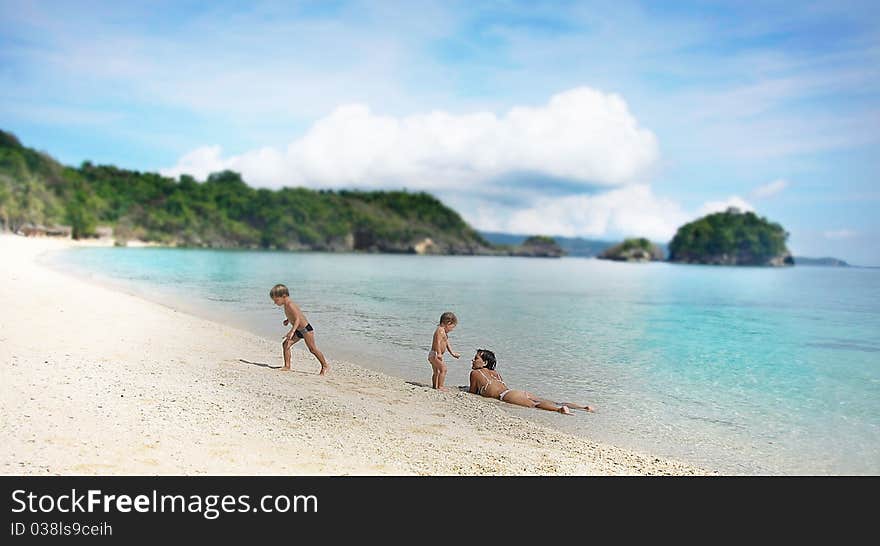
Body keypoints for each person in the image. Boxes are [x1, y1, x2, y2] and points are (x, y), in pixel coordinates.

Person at [468, 349, 593, 414]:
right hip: (514, 391)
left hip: (505, 395)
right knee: (550, 401)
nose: (472, 361)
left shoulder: (475, 373)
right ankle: (583, 407)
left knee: (534, 405)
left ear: (484, 362)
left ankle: (559, 410)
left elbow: (472, 392)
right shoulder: (495, 373)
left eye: (475, 358)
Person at [270, 284, 330, 375]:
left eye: (276, 300)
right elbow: (294, 316)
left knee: (312, 349)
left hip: (306, 330)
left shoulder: (290, 304)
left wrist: (292, 331)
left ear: (284, 296)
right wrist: (288, 320)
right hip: (298, 330)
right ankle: (287, 366)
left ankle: (325, 365)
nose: (275, 303)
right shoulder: (286, 305)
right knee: (286, 344)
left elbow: (298, 319)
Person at [427, 311, 461, 390]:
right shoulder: (440, 330)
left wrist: (452, 353)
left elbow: (446, 343)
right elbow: (437, 342)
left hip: (433, 354)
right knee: (443, 369)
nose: (452, 330)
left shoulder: (444, 333)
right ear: (448, 323)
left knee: (436, 372)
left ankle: (435, 386)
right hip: (435, 354)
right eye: (452, 327)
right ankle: (440, 387)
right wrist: (439, 353)